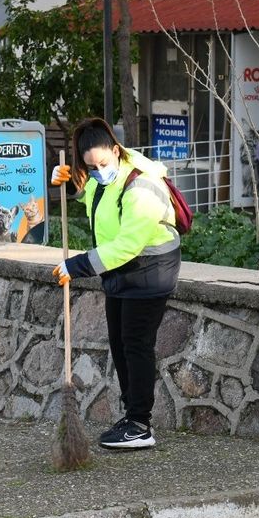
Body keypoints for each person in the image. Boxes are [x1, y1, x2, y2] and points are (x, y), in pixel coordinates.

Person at [50, 117, 181, 450]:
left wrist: (76, 266)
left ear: (116, 150)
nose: (98, 171)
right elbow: (95, 199)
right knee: (121, 344)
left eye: (103, 163)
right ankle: (132, 417)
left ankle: (140, 426)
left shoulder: (141, 185)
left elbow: (128, 245)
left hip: (150, 271)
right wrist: (69, 184)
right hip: (121, 272)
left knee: (136, 345)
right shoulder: (105, 178)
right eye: (91, 167)